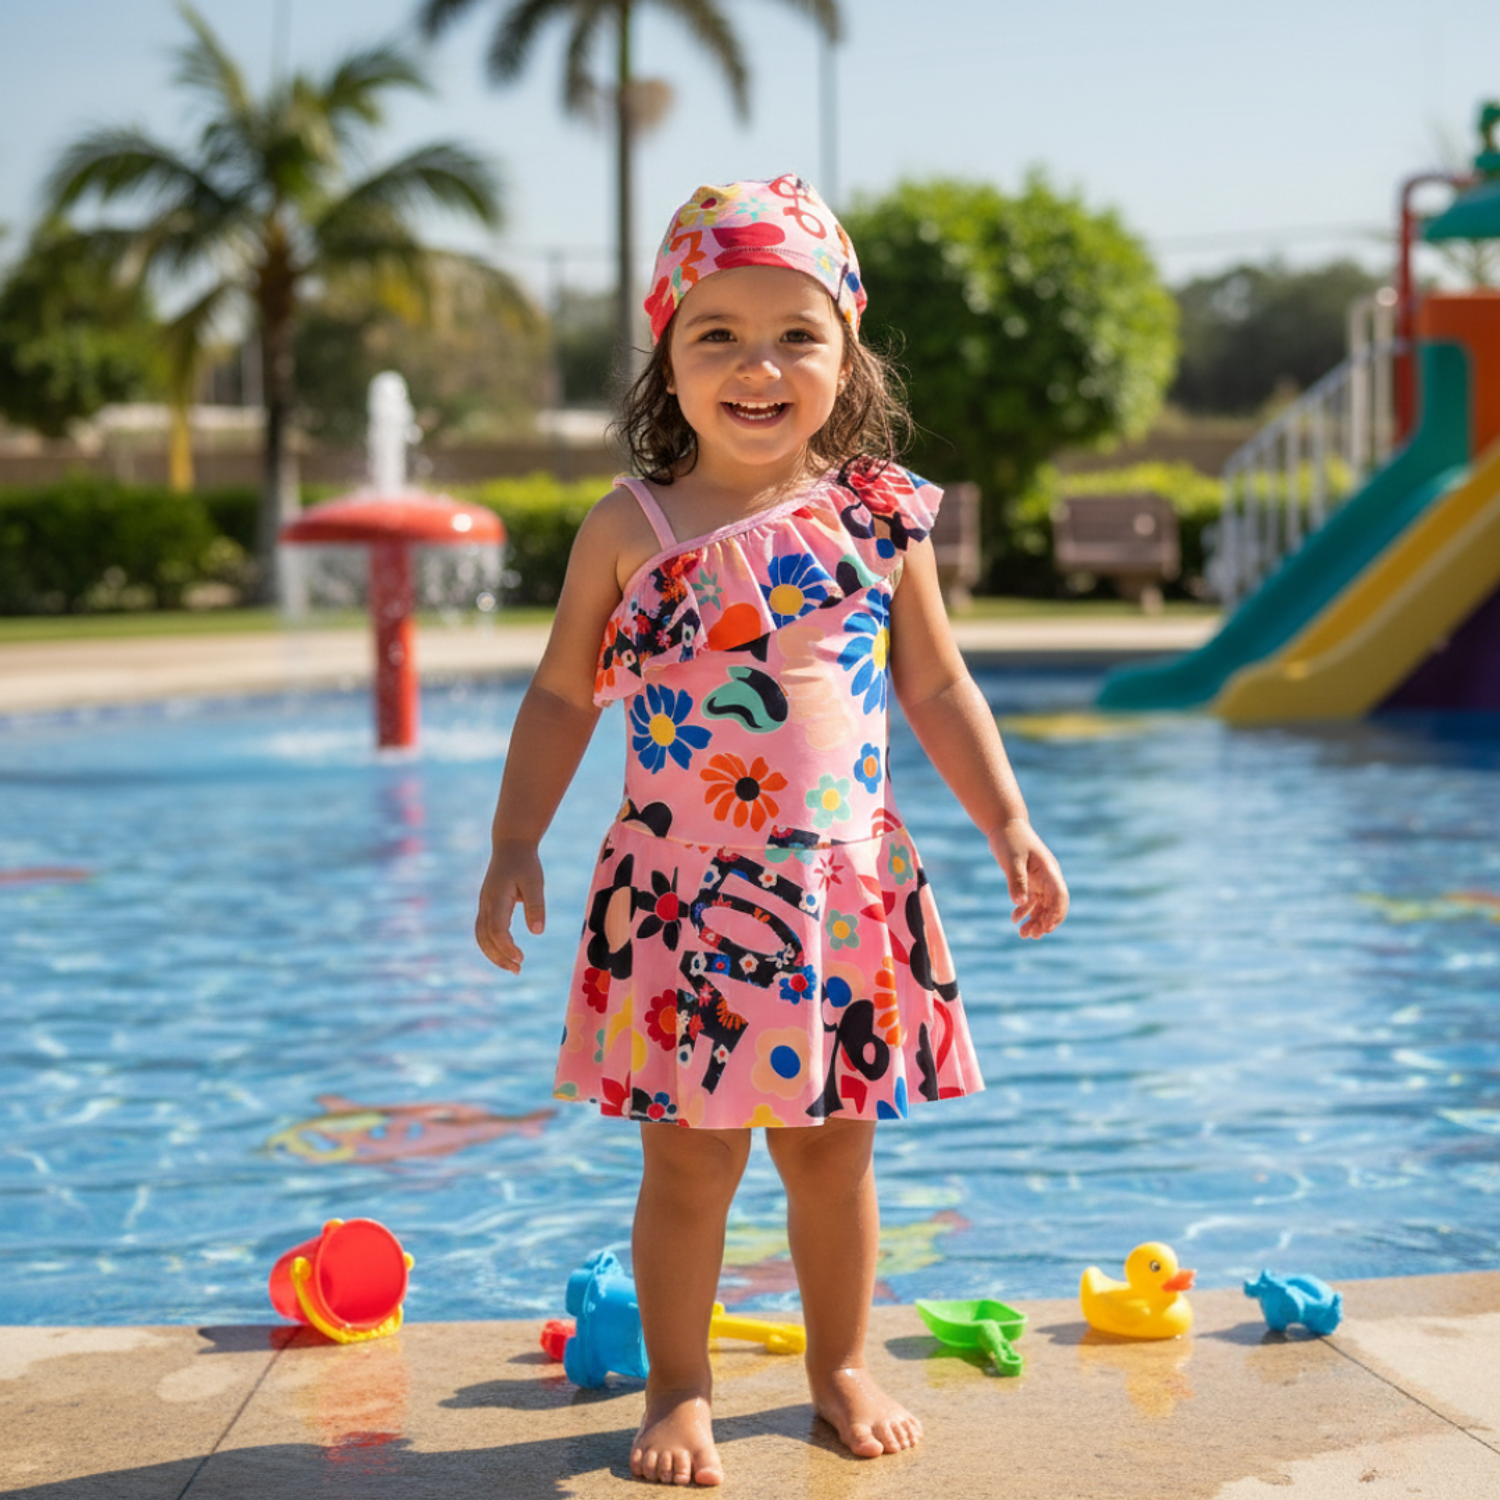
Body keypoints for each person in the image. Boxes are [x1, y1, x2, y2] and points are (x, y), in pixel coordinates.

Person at [476, 174, 1068, 1487]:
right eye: (718, 335)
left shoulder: (880, 520)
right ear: (668, 363)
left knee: (832, 1156)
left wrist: (1010, 820)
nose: (759, 365)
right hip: (684, 902)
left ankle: (840, 1363)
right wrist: (517, 838)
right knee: (689, 1167)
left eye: (795, 332)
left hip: (839, 894)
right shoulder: (628, 530)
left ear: (847, 349)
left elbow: (937, 685)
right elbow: (564, 690)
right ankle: (680, 1387)